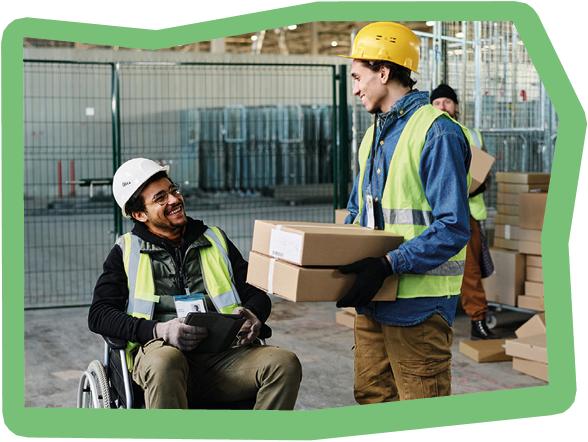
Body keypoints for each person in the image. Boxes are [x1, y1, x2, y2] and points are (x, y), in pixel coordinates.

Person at [88, 158, 302, 409]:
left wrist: (254, 314)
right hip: (160, 357)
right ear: (139, 214)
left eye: (173, 190)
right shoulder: (126, 251)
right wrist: (160, 330)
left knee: (284, 364)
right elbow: (99, 315)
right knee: (166, 361)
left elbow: (255, 292)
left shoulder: (215, 239)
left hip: (224, 357)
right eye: (160, 198)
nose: (174, 199)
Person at [337, 22, 472, 403]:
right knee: (372, 398)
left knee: (420, 408)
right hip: (372, 302)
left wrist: (387, 264)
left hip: (418, 309)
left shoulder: (436, 132)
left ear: (384, 71)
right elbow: (356, 211)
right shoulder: (372, 136)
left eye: (358, 76)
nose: (355, 88)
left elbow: (453, 226)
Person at [430, 84, 497, 340]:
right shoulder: (427, 133)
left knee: (470, 270)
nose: (443, 107)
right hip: (438, 213)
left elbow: (482, 172)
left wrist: (477, 185)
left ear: (456, 106)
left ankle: (477, 320)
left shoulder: (473, 135)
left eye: (447, 102)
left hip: (469, 213)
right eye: (437, 103)